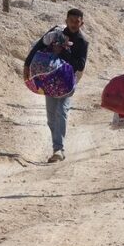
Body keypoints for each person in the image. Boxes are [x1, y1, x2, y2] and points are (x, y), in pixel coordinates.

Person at [24, 9, 89, 163]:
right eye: (71, 20)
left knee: (61, 111)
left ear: (82, 23)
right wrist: (27, 66)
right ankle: (58, 145)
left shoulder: (82, 41)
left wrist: (64, 52)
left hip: (69, 80)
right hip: (50, 79)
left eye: (77, 21)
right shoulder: (55, 33)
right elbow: (38, 47)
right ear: (66, 20)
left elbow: (80, 65)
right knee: (51, 117)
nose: (74, 24)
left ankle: (58, 149)